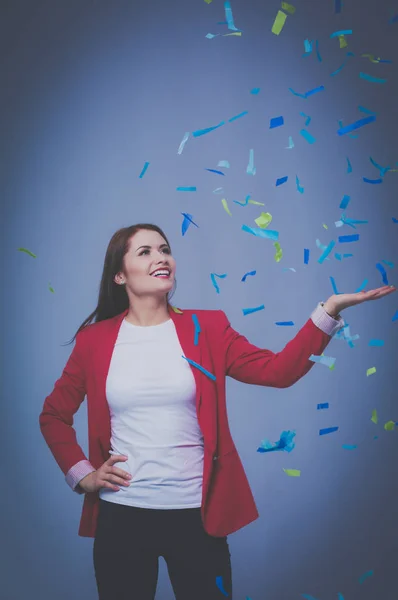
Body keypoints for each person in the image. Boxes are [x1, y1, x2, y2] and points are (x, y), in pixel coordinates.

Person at [39, 223, 395, 600]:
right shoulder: (94, 341)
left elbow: (278, 371)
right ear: (119, 274)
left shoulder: (207, 327)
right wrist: (84, 476)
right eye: (144, 252)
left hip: (197, 516)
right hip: (122, 516)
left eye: (164, 249)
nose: (161, 257)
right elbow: (53, 416)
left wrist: (328, 311)